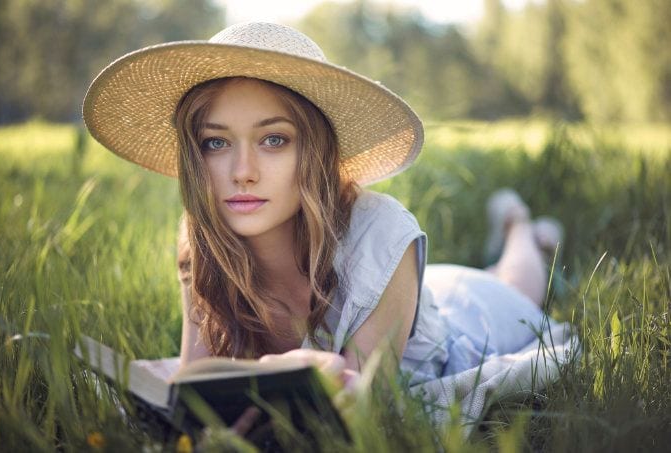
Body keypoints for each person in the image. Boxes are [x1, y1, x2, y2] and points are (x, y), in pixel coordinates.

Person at [83, 22, 563, 415]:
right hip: (404, 294)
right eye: (216, 142)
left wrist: (266, 372)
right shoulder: (199, 234)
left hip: (466, 318)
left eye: (274, 140)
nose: (242, 173)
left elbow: (361, 400)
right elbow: (194, 378)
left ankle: (520, 226)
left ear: (315, 151)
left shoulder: (383, 231)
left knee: (517, 287)